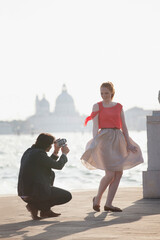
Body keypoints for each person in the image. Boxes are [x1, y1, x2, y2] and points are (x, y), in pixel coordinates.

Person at [81, 82, 144, 212]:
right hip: (104, 139)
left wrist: (129, 143)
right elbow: (95, 126)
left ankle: (109, 204)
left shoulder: (119, 107)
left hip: (118, 139)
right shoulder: (97, 106)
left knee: (119, 173)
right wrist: (95, 141)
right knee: (110, 174)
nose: (104, 96)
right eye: (102, 93)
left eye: (106, 93)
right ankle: (97, 199)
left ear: (112, 93)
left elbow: (124, 127)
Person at [18, 133, 72, 220]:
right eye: (51, 145)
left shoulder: (30, 151)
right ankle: (40, 208)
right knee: (67, 196)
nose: (51, 147)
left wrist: (56, 150)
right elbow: (58, 166)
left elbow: (47, 163)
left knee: (51, 173)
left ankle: (41, 209)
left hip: (24, 193)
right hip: (34, 193)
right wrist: (64, 154)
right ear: (46, 145)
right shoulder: (39, 154)